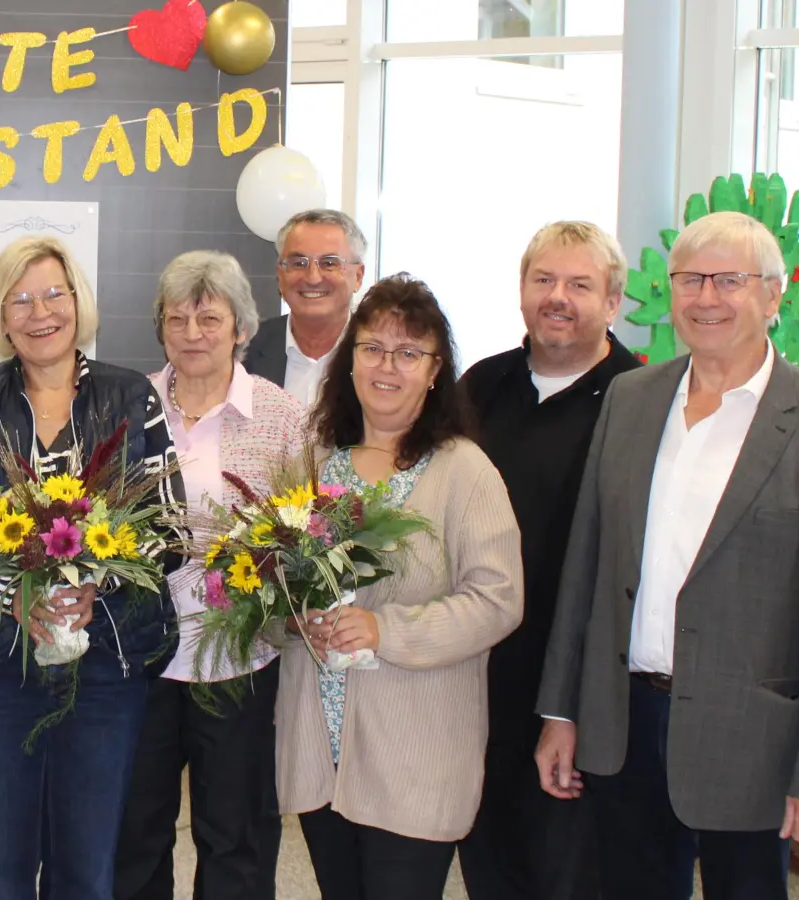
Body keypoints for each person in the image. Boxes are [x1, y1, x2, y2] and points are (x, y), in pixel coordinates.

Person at [534, 211, 799, 900]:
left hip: (752, 740)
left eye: (729, 280)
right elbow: (586, 567)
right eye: (690, 279)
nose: (706, 298)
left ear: (772, 294)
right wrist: (561, 712)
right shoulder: (633, 398)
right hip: (625, 722)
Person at [0, 236, 185, 900]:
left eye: (53, 294)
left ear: (77, 303)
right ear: (1, 317)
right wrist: (12, 593)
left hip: (103, 674)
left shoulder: (131, 398)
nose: (41, 312)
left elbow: (171, 524)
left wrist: (99, 583)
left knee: (85, 871)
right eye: (21, 299)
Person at [277, 275, 523, 900]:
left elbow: (498, 600)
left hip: (418, 753)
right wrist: (290, 616)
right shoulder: (313, 458)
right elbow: (272, 578)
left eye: (409, 353)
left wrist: (387, 630)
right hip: (320, 745)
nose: (387, 366)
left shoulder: (464, 470)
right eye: (372, 348)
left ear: (435, 371)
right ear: (349, 359)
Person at [455, 221, 641, 900]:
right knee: (489, 866)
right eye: (544, 280)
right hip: (479, 681)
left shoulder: (638, 400)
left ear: (613, 303)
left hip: (576, 692)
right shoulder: (480, 387)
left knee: (571, 876)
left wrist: (576, 706)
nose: (558, 297)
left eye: (580, 285)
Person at [115, 252, 306, 900]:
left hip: (240, 658)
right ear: (161, 327)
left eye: (209, 317)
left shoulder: (280, 415)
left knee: (235, 836)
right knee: (135, 832)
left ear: (240, 328)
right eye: (178, 318)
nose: (193, 332)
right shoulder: (130, 405)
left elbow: (312, 538)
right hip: (143, 658)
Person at [241, 209, 368, 407]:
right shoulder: (243, 352)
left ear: (358, 276)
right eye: (299, 263)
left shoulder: (380, 358)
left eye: (329, 263)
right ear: (280, 275)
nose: (313, 278)